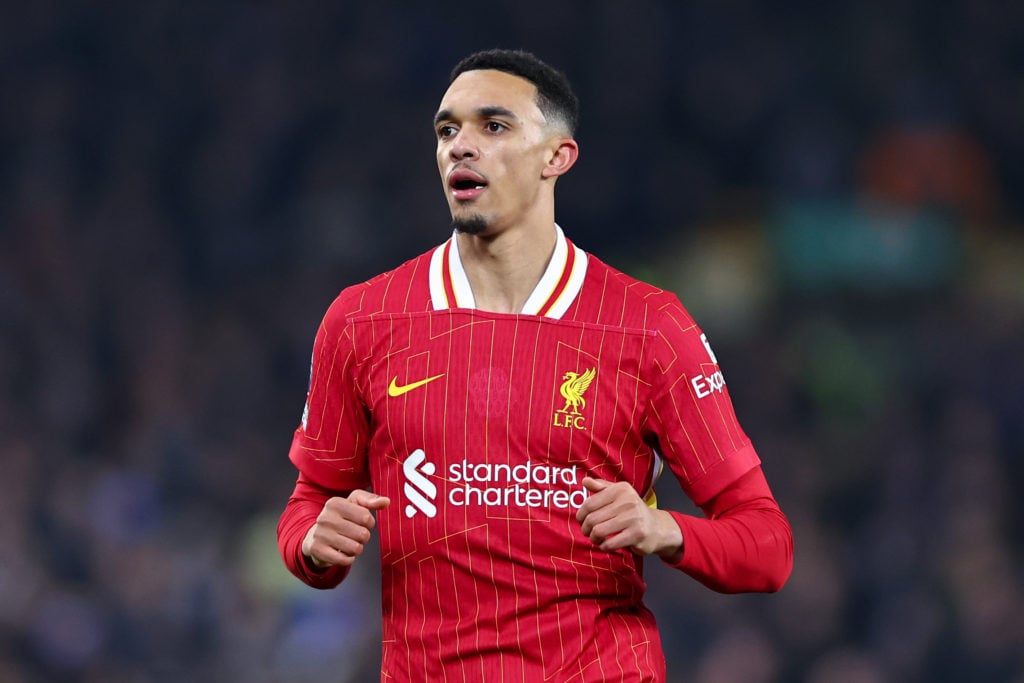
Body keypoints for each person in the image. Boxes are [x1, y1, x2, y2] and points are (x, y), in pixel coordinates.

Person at [277, 48, 793, 682]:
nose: (460, 146)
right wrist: (312, 544)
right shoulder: (362, 321)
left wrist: (664, 530)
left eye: (493, 126)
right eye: (447, 129)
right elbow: (309, 507)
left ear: (558, 156)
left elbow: (768, 547)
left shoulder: (648, 326)